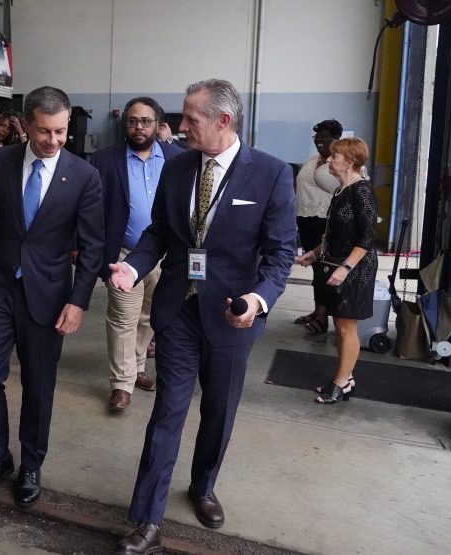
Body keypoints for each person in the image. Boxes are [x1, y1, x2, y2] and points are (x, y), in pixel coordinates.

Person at [109, 79, 295, 552]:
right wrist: (132, 267)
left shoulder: (271, 174)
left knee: (218, 411)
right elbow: (157, 234)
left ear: (223, 121)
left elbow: (279, 254)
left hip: (233, 315)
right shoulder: (176, 169)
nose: (180, 126)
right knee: (168, 412)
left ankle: (203, 485)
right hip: (179, 309)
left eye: (191, 119)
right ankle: (147, 520)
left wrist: (257, 301)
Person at [0, 86, 104, 511]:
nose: (54, 140)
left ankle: (31, 464)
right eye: (44, 131)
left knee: (38, 385)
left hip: (49, 294)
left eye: (61, 132)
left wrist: (78, 301)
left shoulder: (83, 176)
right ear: (25, 125)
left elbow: (94, 247)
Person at [92, 97, 184, 412]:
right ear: (125, 124)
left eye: (145, 121)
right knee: (122, 318)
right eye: (132, 121)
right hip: (123, 253)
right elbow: (93, 208)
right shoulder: (105, 160)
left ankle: (138, 367)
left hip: (164, 253)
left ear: (158, 124)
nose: (138, 127)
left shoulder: (177, 158)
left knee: (150, 316)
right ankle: (121, 384)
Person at [295, 137, 377, 404]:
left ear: (350, 162)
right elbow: (333, 232)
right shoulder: (342, 190)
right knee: (340, 324)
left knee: (345, 326)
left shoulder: (362, 191)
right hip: (338, 263)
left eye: (335, 157)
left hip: (355, 267)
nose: (330, 160)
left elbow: (366, 238)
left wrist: (345, 268)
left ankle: (341, 382)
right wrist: (316, 253)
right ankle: (345, 378)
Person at [293, 119, 343, 334]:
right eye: (317, 136)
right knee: (315, 269)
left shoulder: (341, 163)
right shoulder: (312, 160)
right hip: (306, 220)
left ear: (336, 139)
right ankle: (317, 310)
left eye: (325, 136)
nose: (320, 140)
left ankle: (323, 317)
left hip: (326, 221)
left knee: (324, 270)